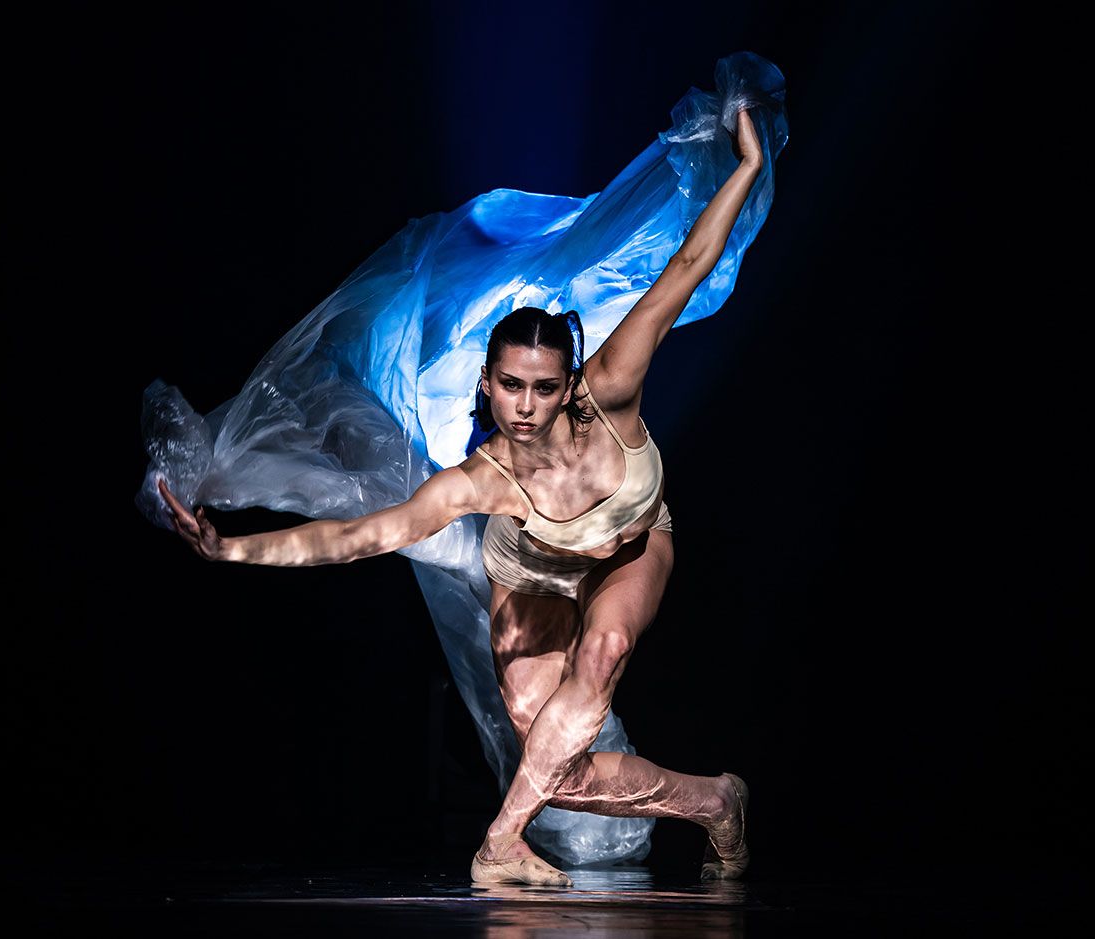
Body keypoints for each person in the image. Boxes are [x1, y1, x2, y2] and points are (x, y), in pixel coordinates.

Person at [159, 108, 763, 887]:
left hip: (633, 547)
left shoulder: (611, 390)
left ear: (568, 383)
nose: (524, 403)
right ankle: (718, 800)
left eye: (543, 387)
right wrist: (229, 546)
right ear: (487, 382)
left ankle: (499, 840)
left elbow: (685, 266)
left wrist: (745, 167)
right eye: (509, 385)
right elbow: (360, 535)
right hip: (534, 571)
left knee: (604, 651)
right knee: (556, 759)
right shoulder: (482, 479)